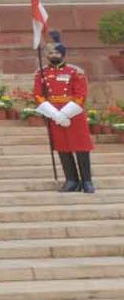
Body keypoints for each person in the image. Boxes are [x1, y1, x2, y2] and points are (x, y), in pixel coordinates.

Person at [35, 31, 94, 194]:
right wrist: (54, 114)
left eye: (56, 52)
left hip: (74, 113)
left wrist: (66, 114)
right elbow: (38, 95)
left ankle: (87, 180)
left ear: (63, 54)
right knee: (63, 147)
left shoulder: (75, 72)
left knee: (81, 147)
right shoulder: (41, 73)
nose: (53, 55)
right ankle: (71, 180)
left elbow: (81, 95)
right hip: (54, 115)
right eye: (50, 53)